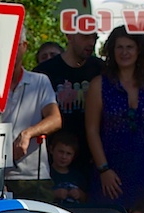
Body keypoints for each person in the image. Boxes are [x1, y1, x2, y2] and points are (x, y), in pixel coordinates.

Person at [86, 26, 144, 212]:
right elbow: (92, 130)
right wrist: (104, 169)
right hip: (113, 164)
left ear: (139, 50)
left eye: (129, 47)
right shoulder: (99, 84)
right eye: (119, 47)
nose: (124, 52)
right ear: (112, 50)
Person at [0, 30, 61, 198]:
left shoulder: (39, 81)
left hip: (33, 175)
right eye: (4, 46)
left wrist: (27, 134)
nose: (8, 51)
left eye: (14, 45)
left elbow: (55, 119)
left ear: (24, 46)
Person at [34, 27, 102, 176]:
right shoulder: (45, 72)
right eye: (85, 37)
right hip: (54, 160)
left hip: (92, 160)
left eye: (94, 38)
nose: (91, 43)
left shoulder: (101, 69)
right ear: (70, 36)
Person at [48, 132, 87, 204]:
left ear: (74, 156)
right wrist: (54, 194)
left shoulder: (77, 176)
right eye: (61, 152)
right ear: (51, 150)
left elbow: (87, 199)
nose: (64, 157)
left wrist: (79, 194)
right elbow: (37, 196)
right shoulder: (45, 173)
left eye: (68, 154)